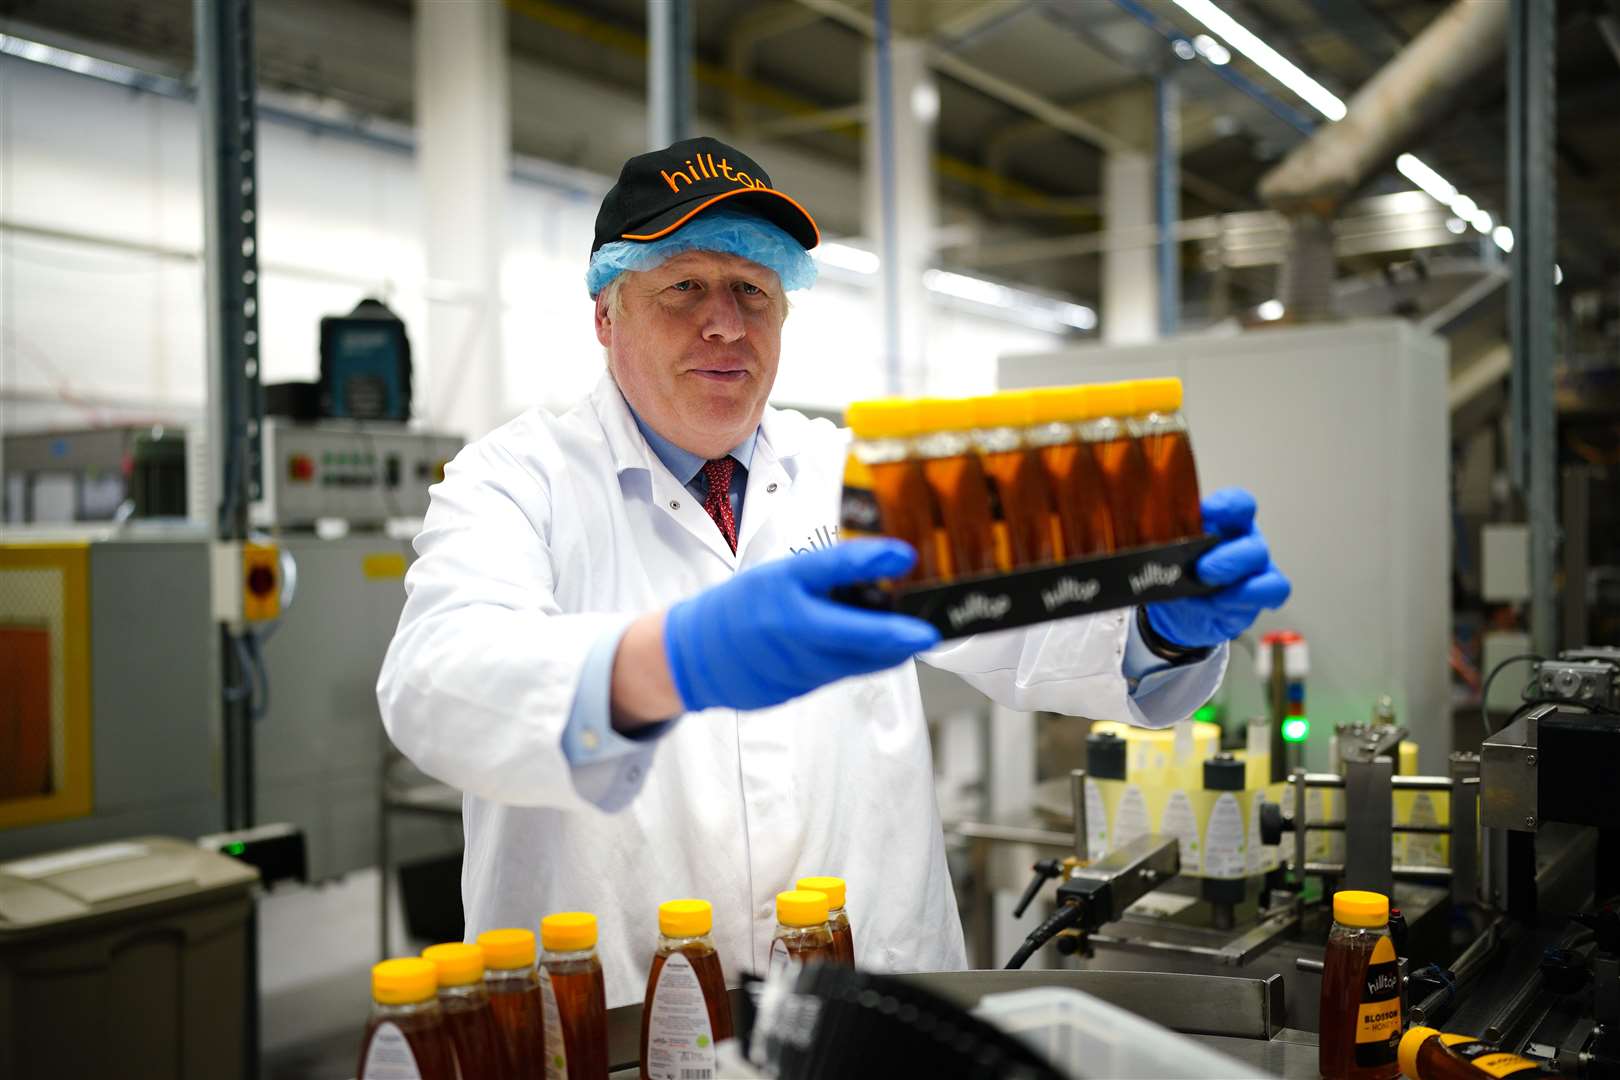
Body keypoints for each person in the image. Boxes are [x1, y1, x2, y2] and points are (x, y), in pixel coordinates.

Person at [377, 136, 1290, 1006]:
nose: (725, 324)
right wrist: (668, 662)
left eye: (752, 289)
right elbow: (437, 684)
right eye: (684, 287)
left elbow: (1026, 624)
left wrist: (1156, 628)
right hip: (620, 1018)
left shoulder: (858, 474)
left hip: (875, 1009)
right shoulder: (514, 479)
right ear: (606, 314)